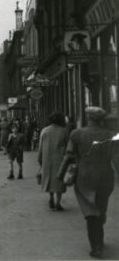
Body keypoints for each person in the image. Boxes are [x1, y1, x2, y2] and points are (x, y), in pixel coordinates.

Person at [59, 107, 115, 259]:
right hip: (106, 174)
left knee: (90, 211)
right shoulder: (111, 135)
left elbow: (68, 155)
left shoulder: (76, 134)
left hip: (85, 175)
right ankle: (100, 239)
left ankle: (96, 246)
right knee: (101, 206)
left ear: (88, 117)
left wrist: (61, 176)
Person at [38, 111, 69, 211]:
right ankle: (58, 203)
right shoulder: (64, 131)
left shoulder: (44, 130)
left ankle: (51, 197)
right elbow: (68, 146)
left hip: (47, 159)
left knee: (49, 180)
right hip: (60, 160)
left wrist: (40, 160)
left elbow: (40, 147)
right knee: (59, 181)